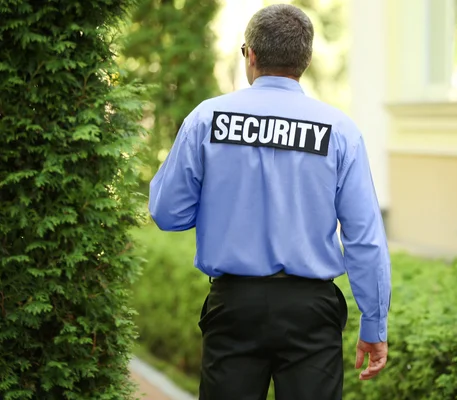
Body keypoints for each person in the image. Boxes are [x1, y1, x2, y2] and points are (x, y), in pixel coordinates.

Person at [148, 4, 391, 400]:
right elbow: (365, 239)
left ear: (251, 55)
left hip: (234, 307)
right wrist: (374, 324)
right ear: (307, 60)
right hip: (311, 312)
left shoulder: (207, 120)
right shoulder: (340, 132)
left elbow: (167, 213)